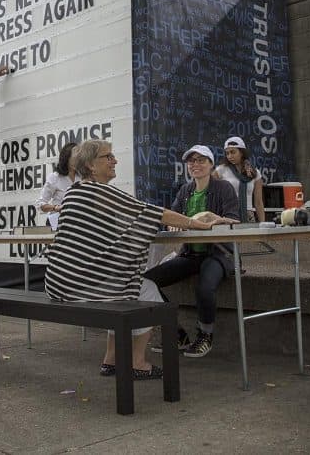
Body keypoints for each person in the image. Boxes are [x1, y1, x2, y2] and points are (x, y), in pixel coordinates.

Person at [44, 140, 233, 379]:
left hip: (59, 283)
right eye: (108, 157)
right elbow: (154, 213)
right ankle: (137, 363)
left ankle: (110, 360)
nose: (115, 161)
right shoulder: (101, 192)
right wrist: (198, 223)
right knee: (148, 294)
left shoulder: (73, 193)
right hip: (83, 286)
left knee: (128, 289)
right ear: (91, 166)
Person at [144, 145, 239, 358]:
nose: (195, 165)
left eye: (201, 160)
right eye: (191, 161)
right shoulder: (185, 190)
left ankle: (205, 336)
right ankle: (176, 334)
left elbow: (232, 219)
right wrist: (173, 225)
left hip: (219, 253)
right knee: (147, 281)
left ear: (211, 164)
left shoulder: (224, 188)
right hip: (190, 255)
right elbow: (172, 219)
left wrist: (208, 219)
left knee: (204, 287)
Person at [213, 136, 265, 223]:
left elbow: (258, 202)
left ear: (241, 152)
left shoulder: (255, 173)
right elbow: (212, 195)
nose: (229, 156)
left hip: (248, 215)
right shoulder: (221, 170)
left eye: (233, 152)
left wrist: (263, 223)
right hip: (228, 215)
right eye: (227, 153)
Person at [34, 142, 78, 230]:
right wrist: (56, 208)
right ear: (66, 158)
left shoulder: (83, 176)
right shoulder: (55, 177)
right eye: (75, 157)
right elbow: (40, 204)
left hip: (77, 224)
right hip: (57, 223)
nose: (79, 159)